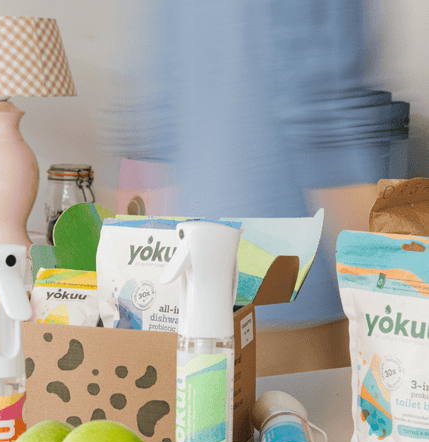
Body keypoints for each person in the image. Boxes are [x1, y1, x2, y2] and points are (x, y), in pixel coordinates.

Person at [97, 0, 408, 365]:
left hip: (194, 285)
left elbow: (151, 125)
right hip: (293, 285)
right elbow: (325, 124)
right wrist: (394, 291)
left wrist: (136, 289)